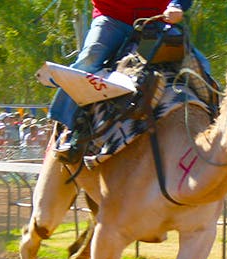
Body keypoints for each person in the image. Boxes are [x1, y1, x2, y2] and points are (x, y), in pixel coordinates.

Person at [48, 0, 196, 160]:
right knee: (89, 60)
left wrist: (177, 5)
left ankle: (215, 121)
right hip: (112, 19)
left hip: (156, 23)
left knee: (198, 65)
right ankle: (67, 127)